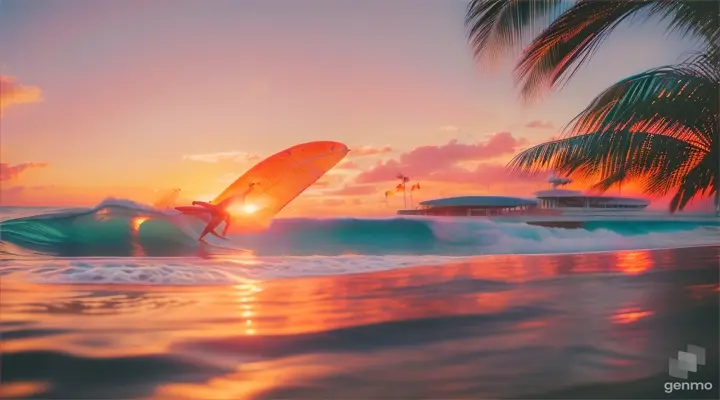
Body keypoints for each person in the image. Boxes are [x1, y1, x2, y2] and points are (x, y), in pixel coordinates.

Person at [192, 182, 258, 242]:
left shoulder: (223, 215)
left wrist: (196, 202)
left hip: (220, 210)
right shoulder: (223, 215)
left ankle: (201, 238)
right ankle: (201, 238)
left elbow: (206, 205)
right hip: (220, 210)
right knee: (210, 226)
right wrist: (196, 202)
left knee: (210, 225)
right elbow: (206, 205)